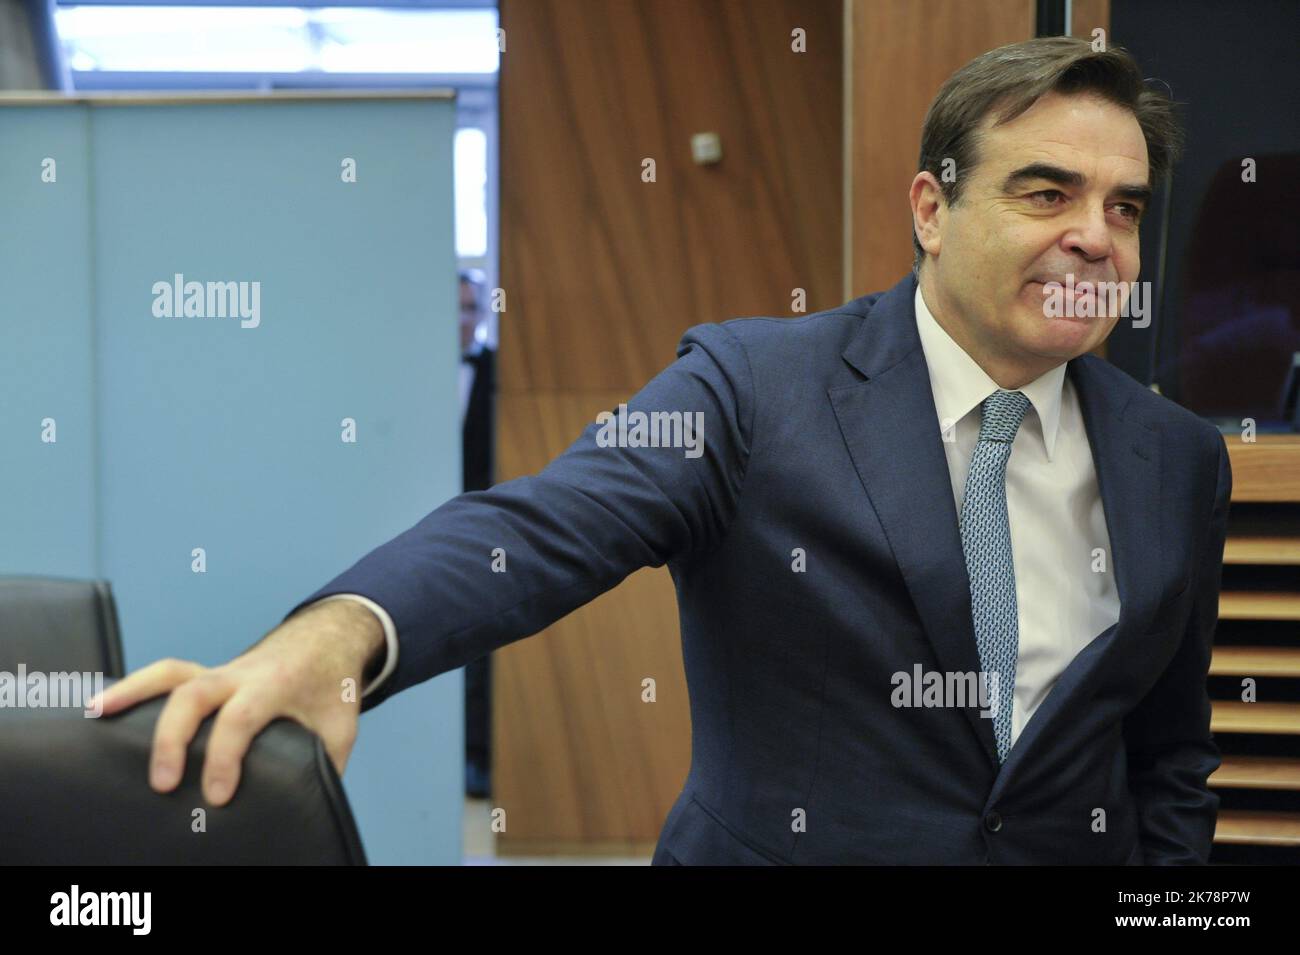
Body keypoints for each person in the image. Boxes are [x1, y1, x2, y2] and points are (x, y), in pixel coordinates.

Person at [92, 36, 1231, 865]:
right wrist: (340, 637)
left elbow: (1166, 753)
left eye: (1125, 207)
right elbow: (535, 528)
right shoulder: (753, 387)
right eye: (1047, 191)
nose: (1094, 233)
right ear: (930, 209)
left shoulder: (1173, 458)